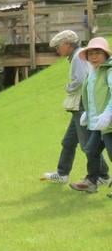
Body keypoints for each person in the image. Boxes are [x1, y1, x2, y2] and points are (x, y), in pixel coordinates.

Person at [41, 30, 109, 185]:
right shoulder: (75, 56)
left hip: (81, 106)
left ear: (67, 44)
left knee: (87, 145)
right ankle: (62, 173)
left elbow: (79, 80)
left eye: (59, 46)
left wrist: (68, 88)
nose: (57, 49)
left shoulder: (78, 57)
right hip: (77, 107)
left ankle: (103, 176)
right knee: (68, 142)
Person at [71, 37, 112, 193]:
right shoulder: (92, 73)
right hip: (97, 123)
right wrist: (88, 114)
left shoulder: (109, 71)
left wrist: (108, 114)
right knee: (91, 150)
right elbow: (91, 96)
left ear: (105, 55)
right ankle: (91, 182)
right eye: (90, 53)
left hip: (109, 123)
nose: (94, 57)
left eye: (97, 53)